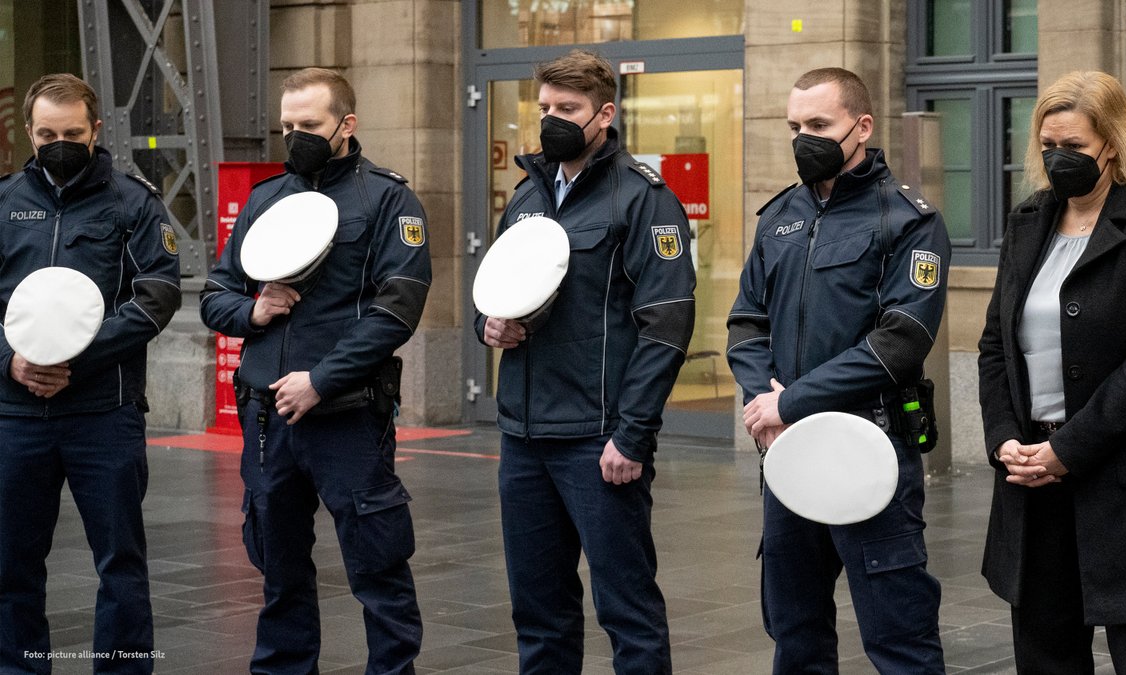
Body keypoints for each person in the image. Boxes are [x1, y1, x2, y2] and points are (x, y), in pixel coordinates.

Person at [200, 68, 431, 674]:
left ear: (346, 125)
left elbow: (396, 308)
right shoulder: (265, 199)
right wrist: (253, 309)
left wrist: (321, 379)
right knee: (278, 568)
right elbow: (215, 293)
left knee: (377, 567)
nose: (296, 136)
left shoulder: (387, 198)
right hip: (267, 416)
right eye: (287, 125)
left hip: (347, 415)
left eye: (310, 125)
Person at [475, 49, 695, 674]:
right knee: (538, 614)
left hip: (598, 440)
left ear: (604, 114)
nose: (550, 120)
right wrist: (486, 325)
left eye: (566, 110)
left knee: (627, 611)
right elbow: (490, 294)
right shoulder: (526, 197)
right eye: (543, 108)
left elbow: (666, 325)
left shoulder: (645, 200)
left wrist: (632, 435)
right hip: (523, 436)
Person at [726, 67, 948, 672]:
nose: (804, 138)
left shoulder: (908, 220)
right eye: (795, 126)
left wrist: (788, 401)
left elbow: (900, 341)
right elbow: (746, 323)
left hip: (868, 444)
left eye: (819, 125)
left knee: (898, 633)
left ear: (863, 127)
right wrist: (763, 402)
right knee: (794, 632)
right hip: (787, 453)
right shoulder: (778, 218)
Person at [978, 70, 1126, 674]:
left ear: (1113, 143)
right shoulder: (1028, 222)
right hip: (1032, 479)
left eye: (1073, 147)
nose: (1058, 158)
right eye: (1048, 146)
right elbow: (995, 346)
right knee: (1047, 655)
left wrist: (1068, 450)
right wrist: (1006, 443)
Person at [0, 73, 182, 673]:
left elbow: (156, 297)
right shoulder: (3, 204)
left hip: (105, 414)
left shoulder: (133, 202)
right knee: (10, 567)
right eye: (46, 133)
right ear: (28, 132)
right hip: (16, 417)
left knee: (121, 566)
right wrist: (13, 361)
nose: (59, 143)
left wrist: (73, 357)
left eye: (72, 132)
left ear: (96, 129)